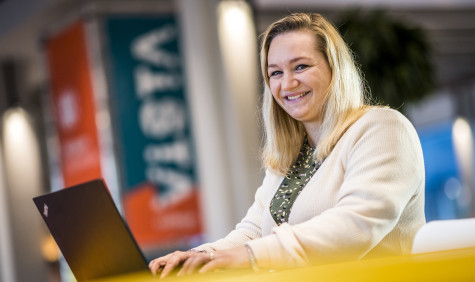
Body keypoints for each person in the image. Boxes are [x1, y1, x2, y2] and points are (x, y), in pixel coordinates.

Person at [148, 12, 425, 278]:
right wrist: (199, 256)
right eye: (275, 72)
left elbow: (355, 226)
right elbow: (254, 229)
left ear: (334, 67)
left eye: (301, 66)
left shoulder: (382, 128)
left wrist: (251, 256)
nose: (287, 83)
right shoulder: (293, 152)